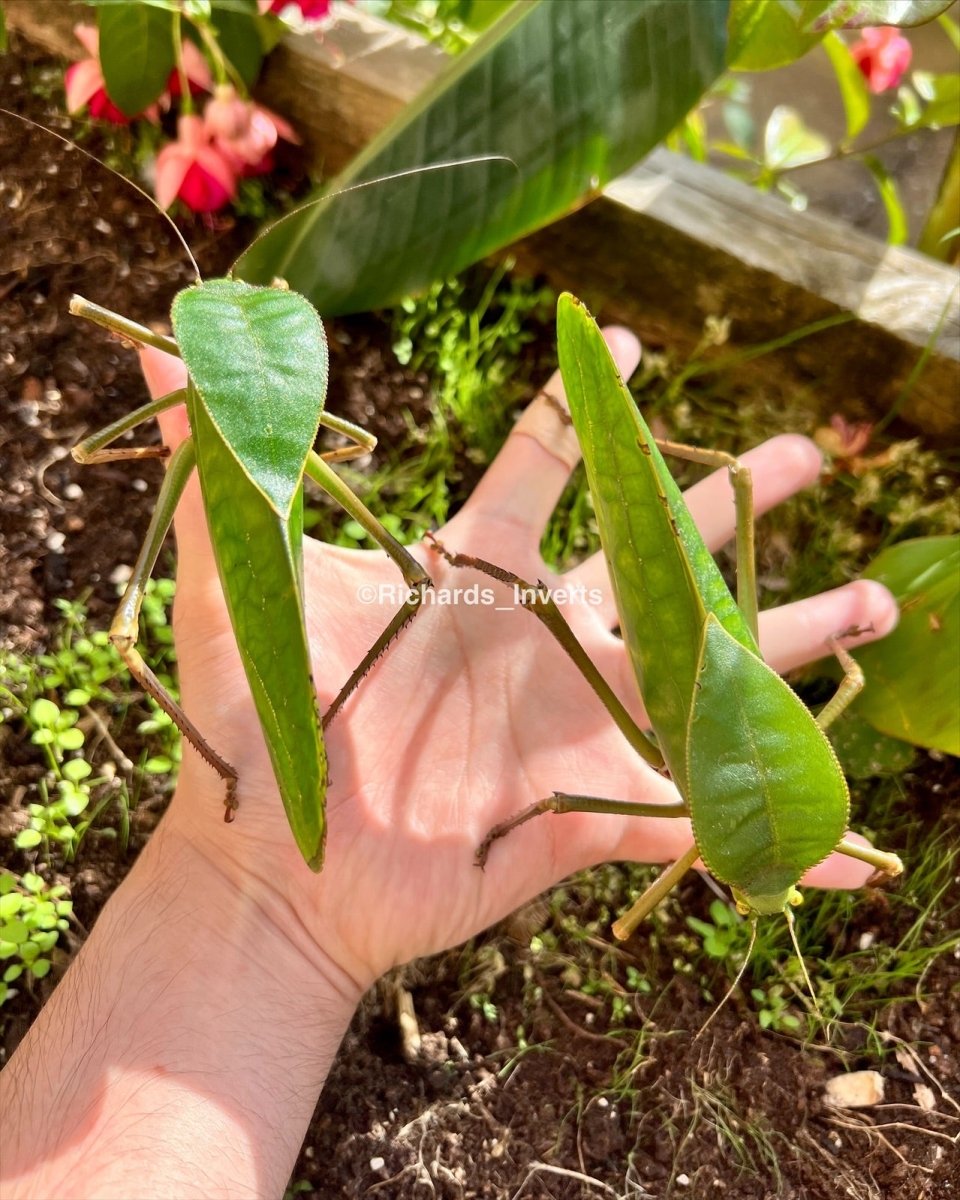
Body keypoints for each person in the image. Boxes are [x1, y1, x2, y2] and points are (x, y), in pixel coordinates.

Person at [0, 328, 897, 1199]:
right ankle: (624, 437)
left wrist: (275, 905)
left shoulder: (736, 819)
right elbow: (643, 904)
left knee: (727, 489)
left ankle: (627, 438)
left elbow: (844, 681)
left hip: (702, 708)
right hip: (686, 708)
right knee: (697, 520)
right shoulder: (713, 826)